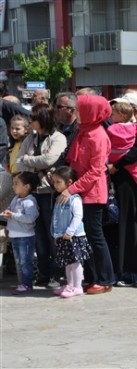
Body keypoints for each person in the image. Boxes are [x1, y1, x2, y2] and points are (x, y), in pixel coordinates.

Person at [63, 94, 115, 295]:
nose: (75, 112)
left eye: (79, 108)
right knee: (84, 238)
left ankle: (105, 278)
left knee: (96, 237)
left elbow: (96, 170)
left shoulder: (98, 135)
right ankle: (92, 277)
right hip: (80, 191)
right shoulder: (83, 131)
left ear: (89, 112)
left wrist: (71, 188)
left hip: (92, 193)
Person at [16, 104, 67, 288]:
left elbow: (49, 159)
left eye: (34, 118)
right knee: (38, 236)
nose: (31, 122)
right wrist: (28, 162)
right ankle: (44, 273)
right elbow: (17, 163)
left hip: (49, 192)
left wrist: (29, 161)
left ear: (44, 118)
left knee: (52, 234)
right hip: (33, 193)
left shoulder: (58, 138)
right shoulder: (31, 138)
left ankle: (57, 273)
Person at [50, 166, 92, 298]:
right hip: (63, 236)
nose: (55, 185)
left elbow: (78, 217)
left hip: (74, 236)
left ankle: (77, 286)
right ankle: (70, 284)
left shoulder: (75, 199)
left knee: (76, 262)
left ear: (69, 182)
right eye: (54, 182)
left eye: (58, 182)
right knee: (68, 262)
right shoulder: (58, 198)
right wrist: (56, 234)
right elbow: (56, 218)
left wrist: (70, 231)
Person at [1, 172, 39, 295]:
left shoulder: (30, 201)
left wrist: (13, 215)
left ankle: (27, 284)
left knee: (25, 262)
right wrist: (7, 215)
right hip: (15, 235)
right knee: (19, 262)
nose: (13, 186)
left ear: (27, 186)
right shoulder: (16, 199)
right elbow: (11, 213)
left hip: (25, 237)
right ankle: (23, 283)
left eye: (16, 183)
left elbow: (30, 218)